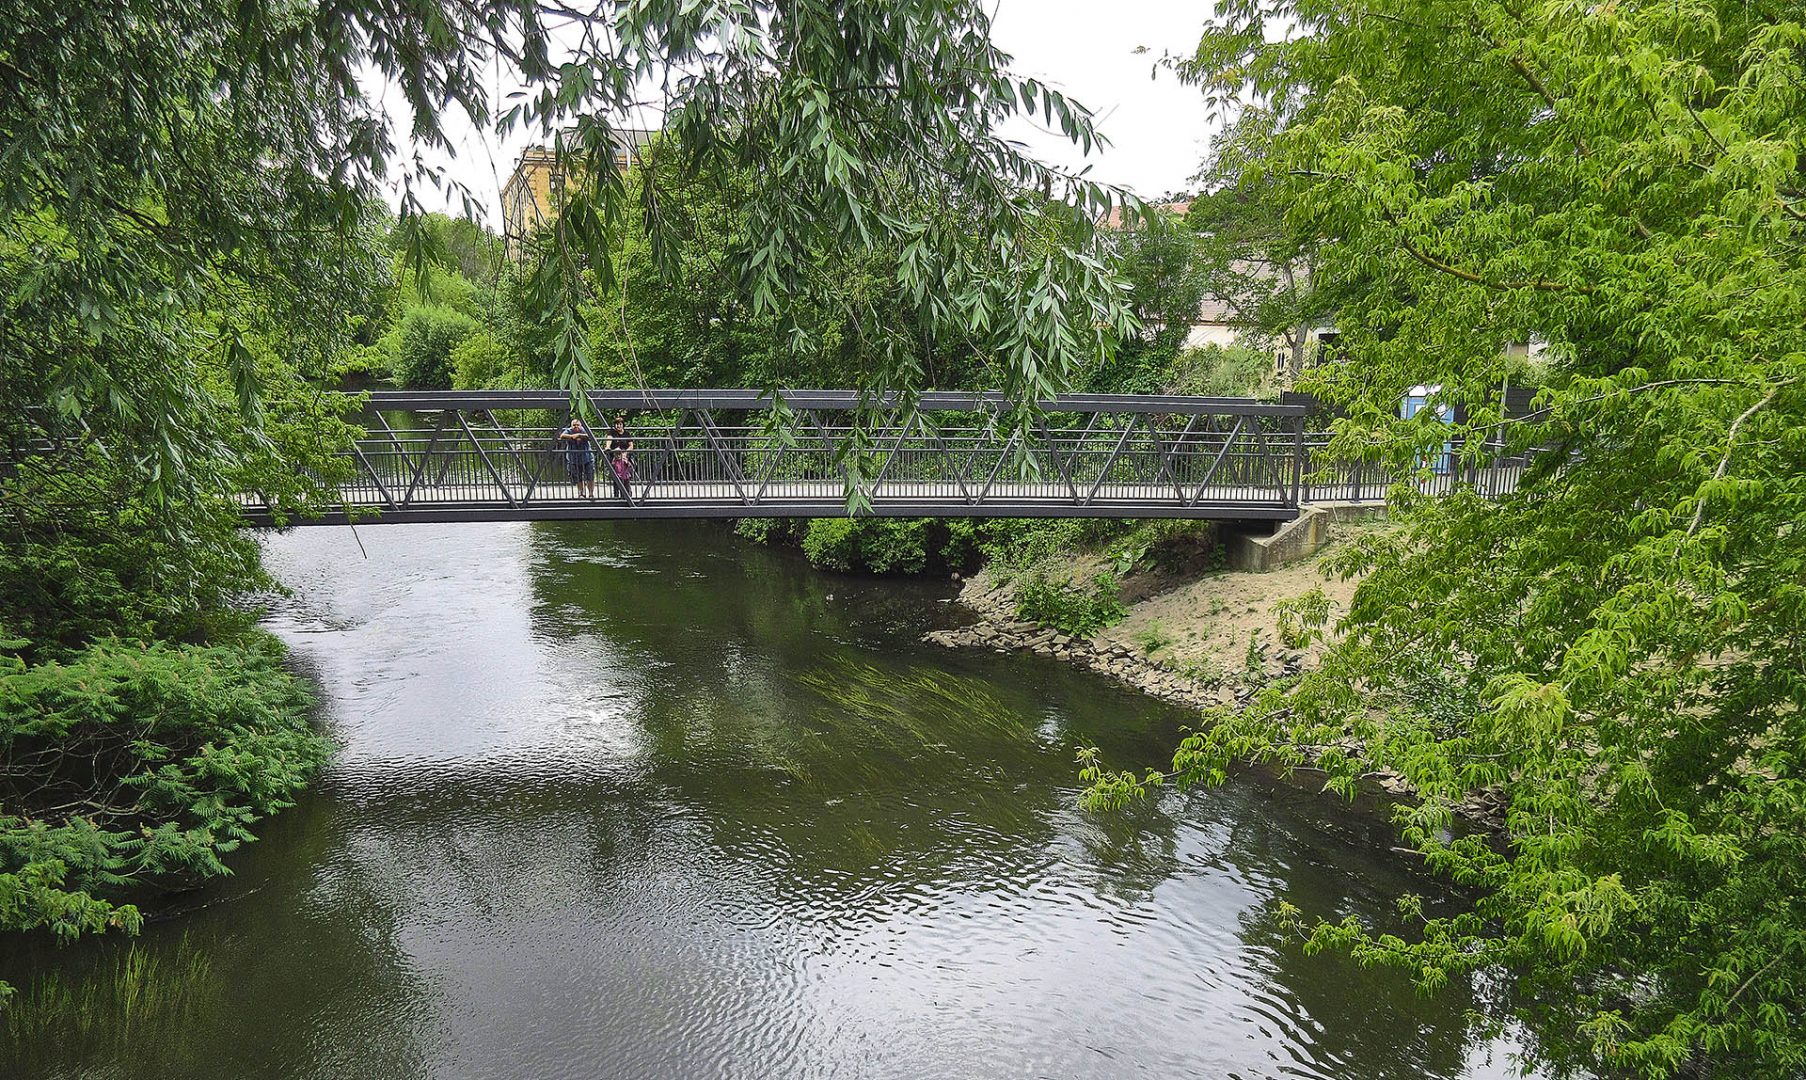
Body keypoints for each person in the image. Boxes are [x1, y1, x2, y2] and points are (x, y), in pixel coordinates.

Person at [557, 415, 597, 499]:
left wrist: (579, 435)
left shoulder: (584, 430)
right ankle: (581, 493)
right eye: (574, 425)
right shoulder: (569, 431)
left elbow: (591, 436)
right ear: (571, 426)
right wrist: (572, 437)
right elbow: (562, 436)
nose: (576, 426)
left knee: (590, 476)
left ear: (580, 425)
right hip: (573, 459)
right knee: (577, 477)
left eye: (577, 425)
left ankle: (591, 494)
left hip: (587, 458)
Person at [603, 414, 635, 498]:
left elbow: (631, 445)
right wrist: (608, 447)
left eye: (620, 424)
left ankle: (627, 495)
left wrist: (625, 453)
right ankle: (616, 496)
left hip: (625, 457)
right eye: (617, 424)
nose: (618, 426)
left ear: (623, 425)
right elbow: (609, 439)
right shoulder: (612, 433)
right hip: (615, 457)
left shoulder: (627, 434)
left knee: (626, 477)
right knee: (616, 477)